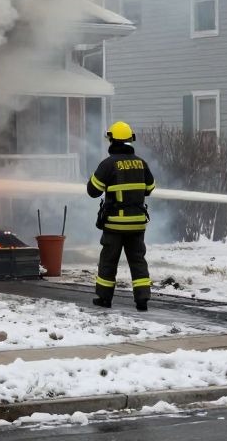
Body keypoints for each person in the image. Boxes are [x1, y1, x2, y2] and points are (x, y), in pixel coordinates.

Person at [87, 121, 155, 311]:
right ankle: (142, 300)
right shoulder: (141, 163)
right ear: (129, 140)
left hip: (115, 224)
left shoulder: (108, 164)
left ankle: (104, 298)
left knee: (109, 261)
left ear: (113, 140)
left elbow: (92, 191)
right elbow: (149, 189)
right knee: (138, 260)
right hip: (137, 223)